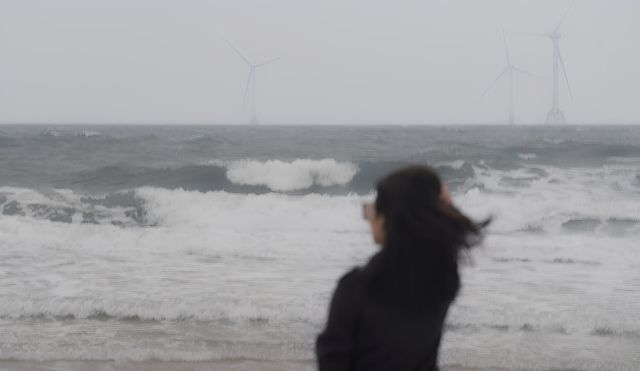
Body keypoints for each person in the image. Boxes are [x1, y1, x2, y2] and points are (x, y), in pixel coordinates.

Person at [316, 166, 489, 371]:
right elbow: (443, 248)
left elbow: (332, 362)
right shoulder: (440, 284)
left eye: (376, 208)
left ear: (388, 221)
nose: (370, 215)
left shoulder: (356, 288)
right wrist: (441, 206)